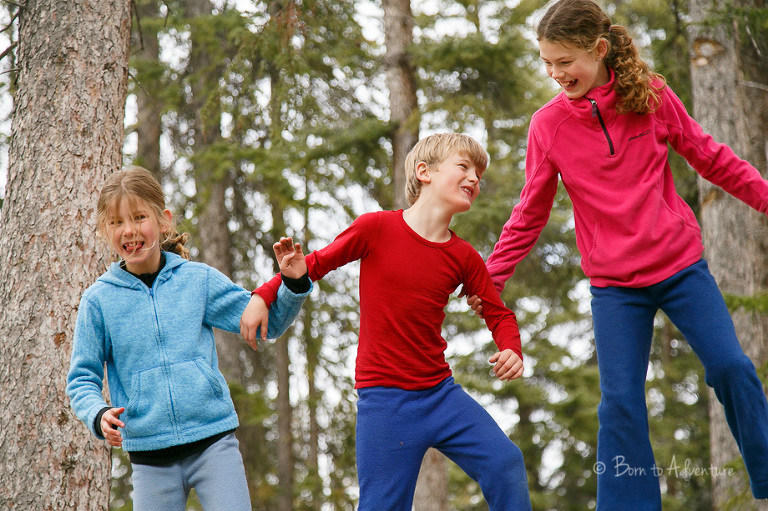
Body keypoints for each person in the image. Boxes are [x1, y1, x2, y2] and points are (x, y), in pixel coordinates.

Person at [465, 0, 768, 509]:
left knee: (730, 366)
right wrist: (490, 279)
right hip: (615, 288)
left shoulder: (650, 96)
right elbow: (529, 212)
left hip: (679, 268)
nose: (556, 74)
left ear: (599, 50)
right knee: (621, 405)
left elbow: (709, 155)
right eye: (547, 63)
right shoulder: (549, 126)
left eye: (565, 62)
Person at [247, 133, 532, 510]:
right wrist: (263, 294)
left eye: (479, 173)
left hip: (441, 396)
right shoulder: (375, 228)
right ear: (424, 171)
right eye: (464, 167)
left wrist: (510, 347)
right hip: (385, 403)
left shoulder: (464, 257)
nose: (474, 178)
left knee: (506, 463)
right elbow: (312, 265)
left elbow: (499, 314)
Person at [66, 166, 312, 511]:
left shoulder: (197, 281)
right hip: (150, 458)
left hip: (214, 443)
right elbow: (81, 379)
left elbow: (263, 324)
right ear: (106, 230)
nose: (129, 230)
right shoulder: (99, 301)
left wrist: (293, 285)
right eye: (117, 222)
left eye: (139, 217)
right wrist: (98, 413)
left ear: (164, 220)